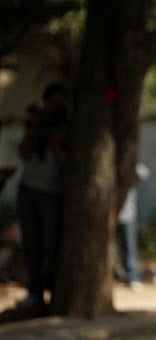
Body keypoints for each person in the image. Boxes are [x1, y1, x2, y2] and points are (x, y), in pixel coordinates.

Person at [15, 83, 69, 311]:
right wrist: (34, 130)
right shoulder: (37, 126)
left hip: (51, 192)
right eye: (51, 100)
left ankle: (53, 290)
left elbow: (67, 160)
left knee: (51, 246)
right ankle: (35, 292)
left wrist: (53, 139)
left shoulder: (68, 127)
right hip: (28, 189)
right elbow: (23, 152)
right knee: (31, 244)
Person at [115, 163, 150, 292]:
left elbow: (144, 173)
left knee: (130, 248)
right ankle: (119, 275)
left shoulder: (127, 164)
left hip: (127, 214)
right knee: (114, 250)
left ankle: (133, 276)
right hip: (110, 216)